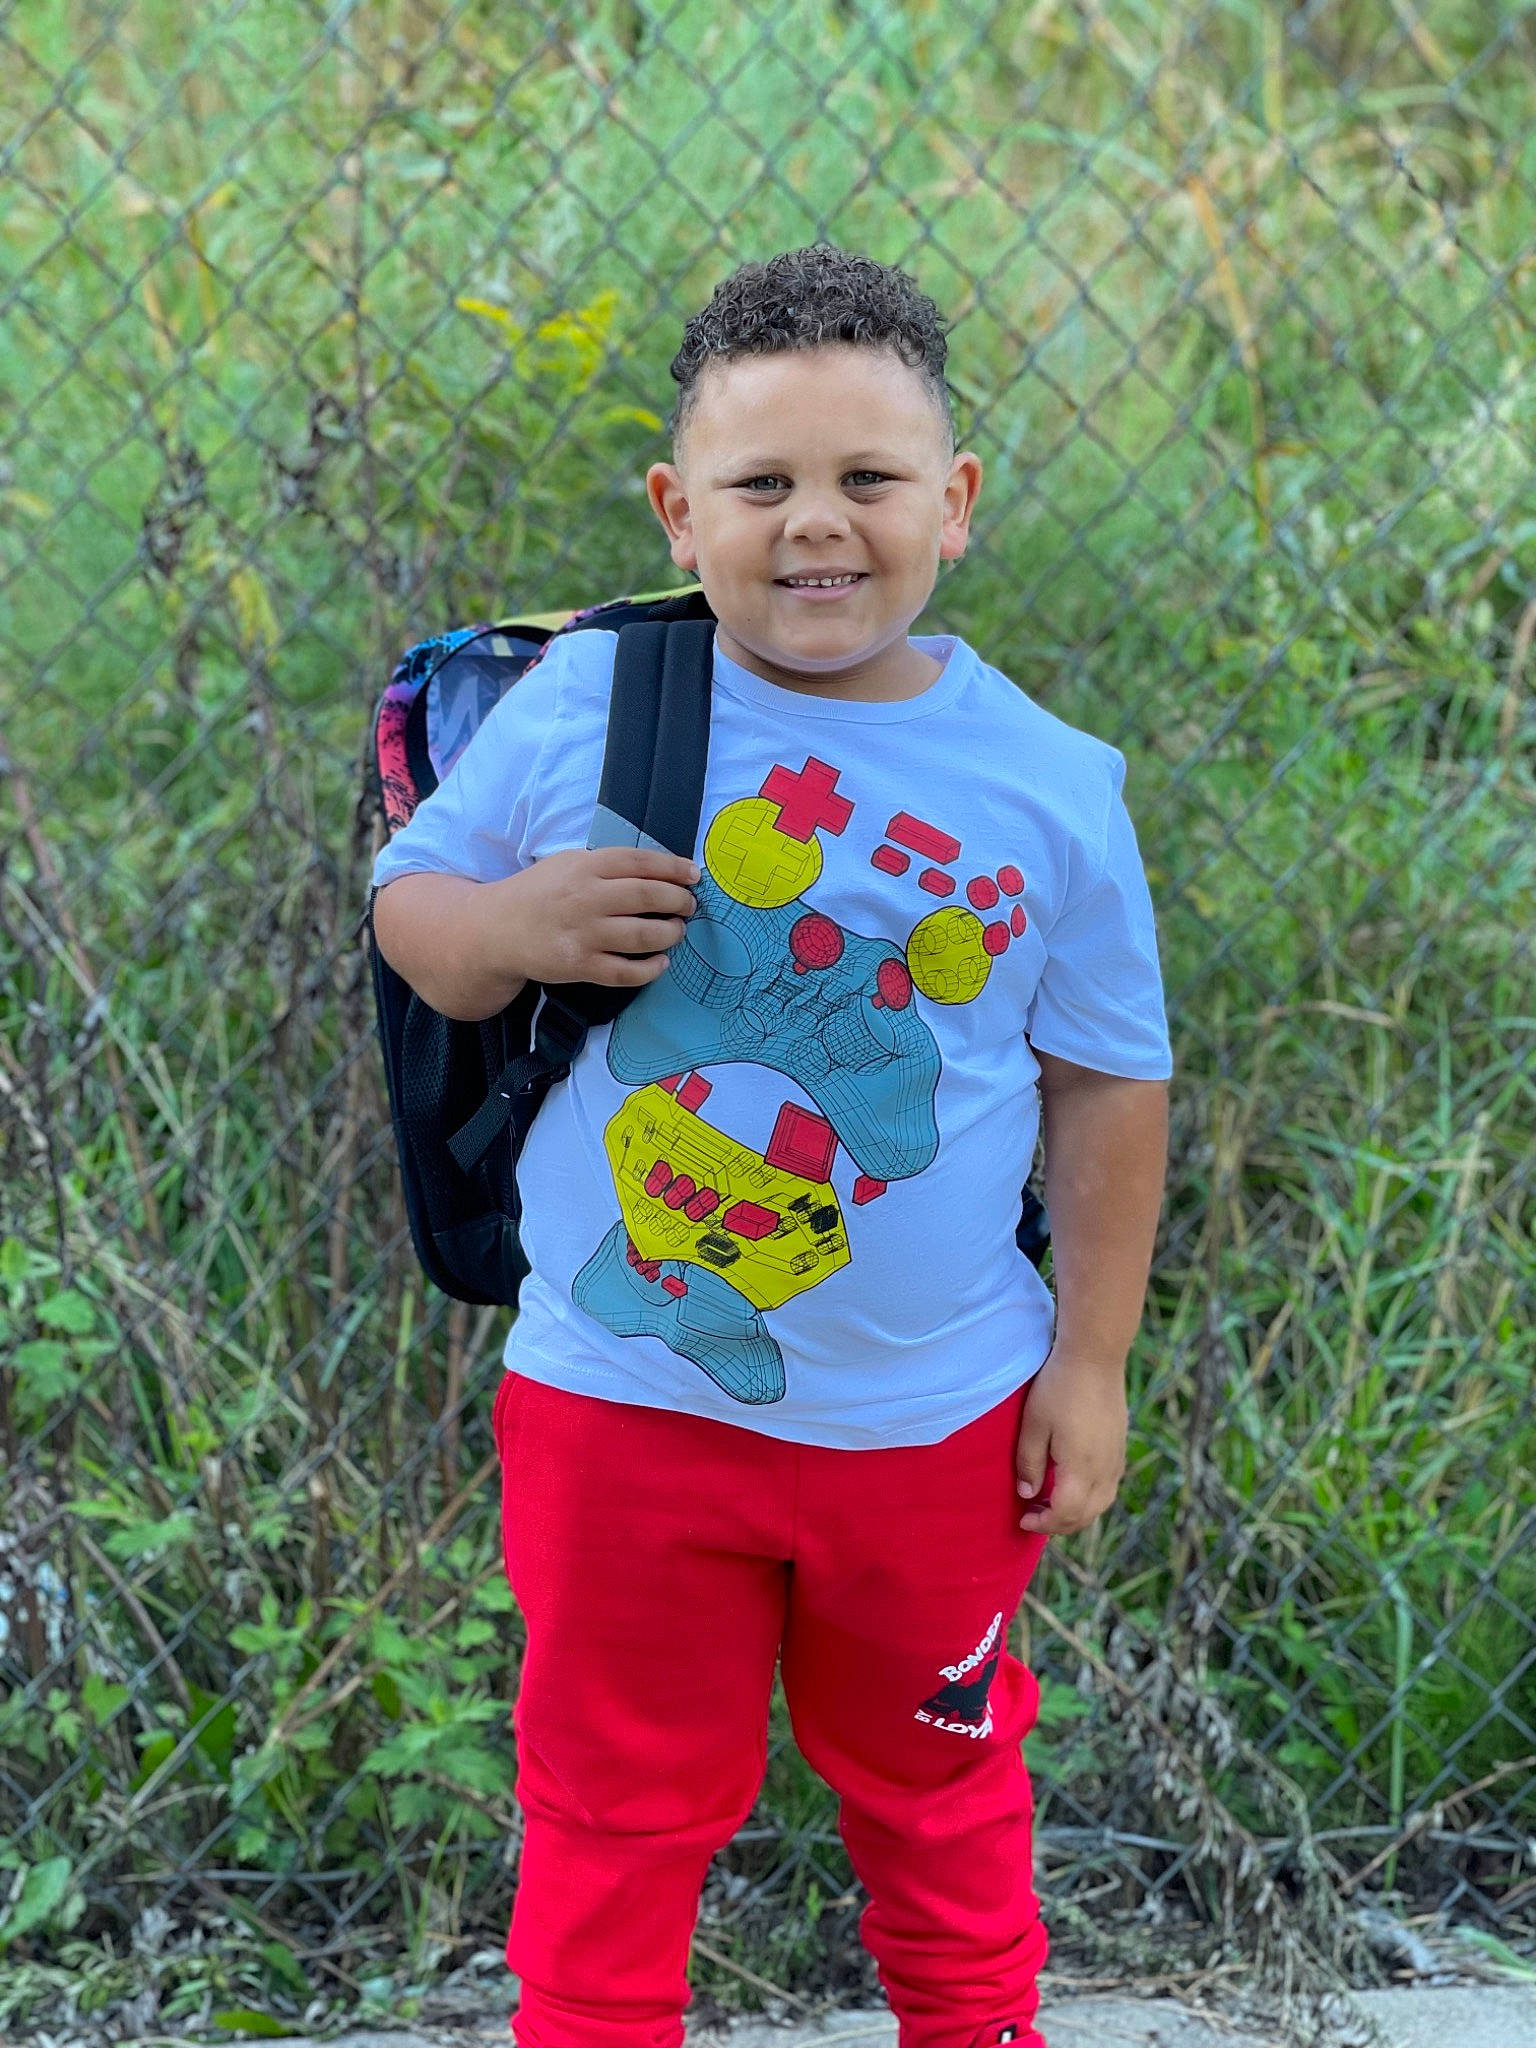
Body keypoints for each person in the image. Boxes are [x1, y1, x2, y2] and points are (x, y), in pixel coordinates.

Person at [370, 243, 1172, 2048]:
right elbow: (409, 905)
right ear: (680, 510)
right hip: (620, 1412)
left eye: (869, 479)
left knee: (945, 1810)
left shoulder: (1052, 782)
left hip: (936, 1433)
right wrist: (510, 933)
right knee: (612, 1818)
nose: (819, 526)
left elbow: (1110, 1082)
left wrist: (1094, 1364)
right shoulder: (591, 707)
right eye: (763, 484)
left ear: (953, 504)